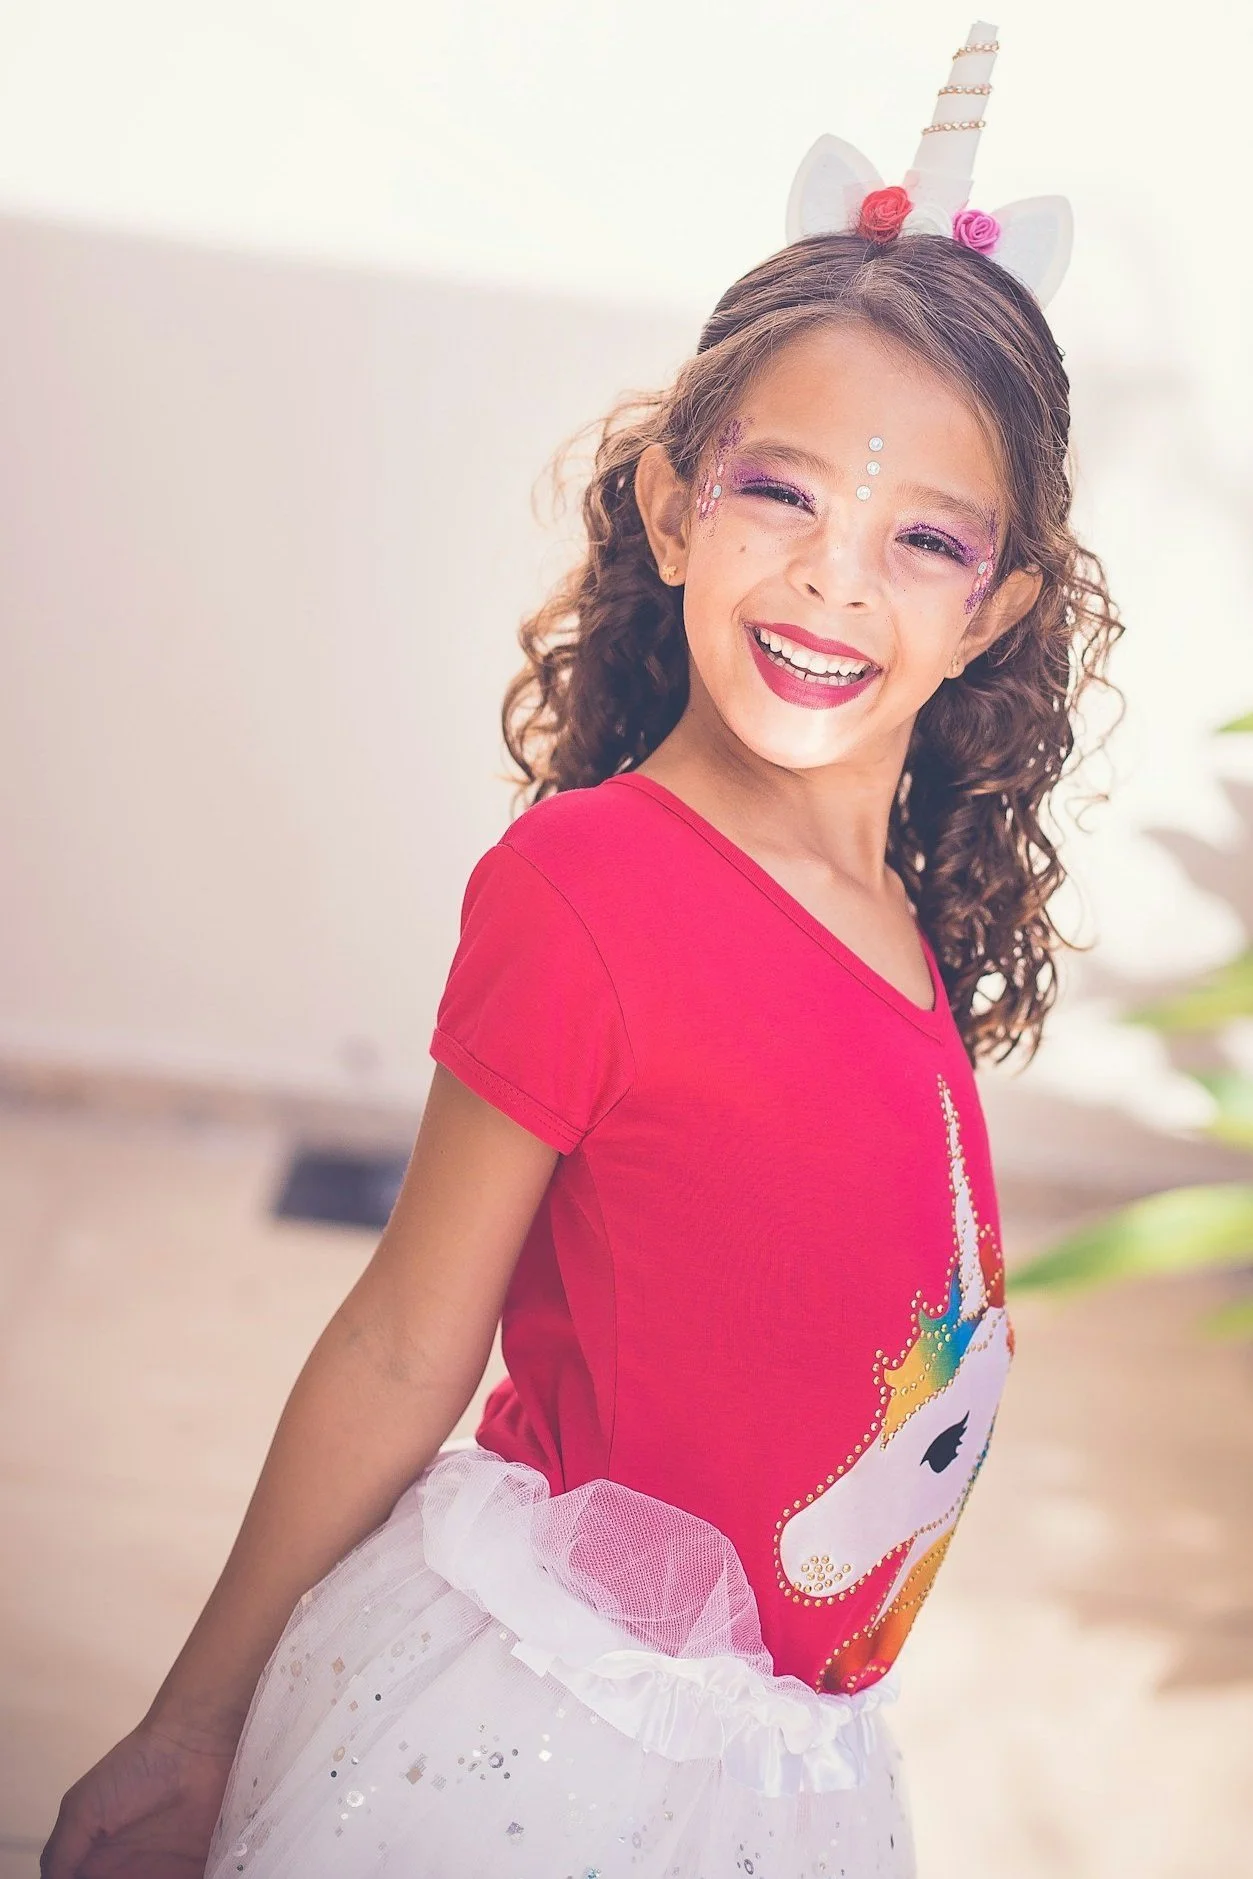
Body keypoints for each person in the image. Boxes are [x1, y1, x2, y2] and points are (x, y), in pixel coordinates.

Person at [41, 22, 1121, 1879]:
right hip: (561, 1727)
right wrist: (199, 1715)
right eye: (782, 488)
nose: (834, 576)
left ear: (997, 610)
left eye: (922, 535)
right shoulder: (595, 884)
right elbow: (401, 1338)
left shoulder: (898, 918)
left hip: (778, 1762)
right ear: (671, 496)